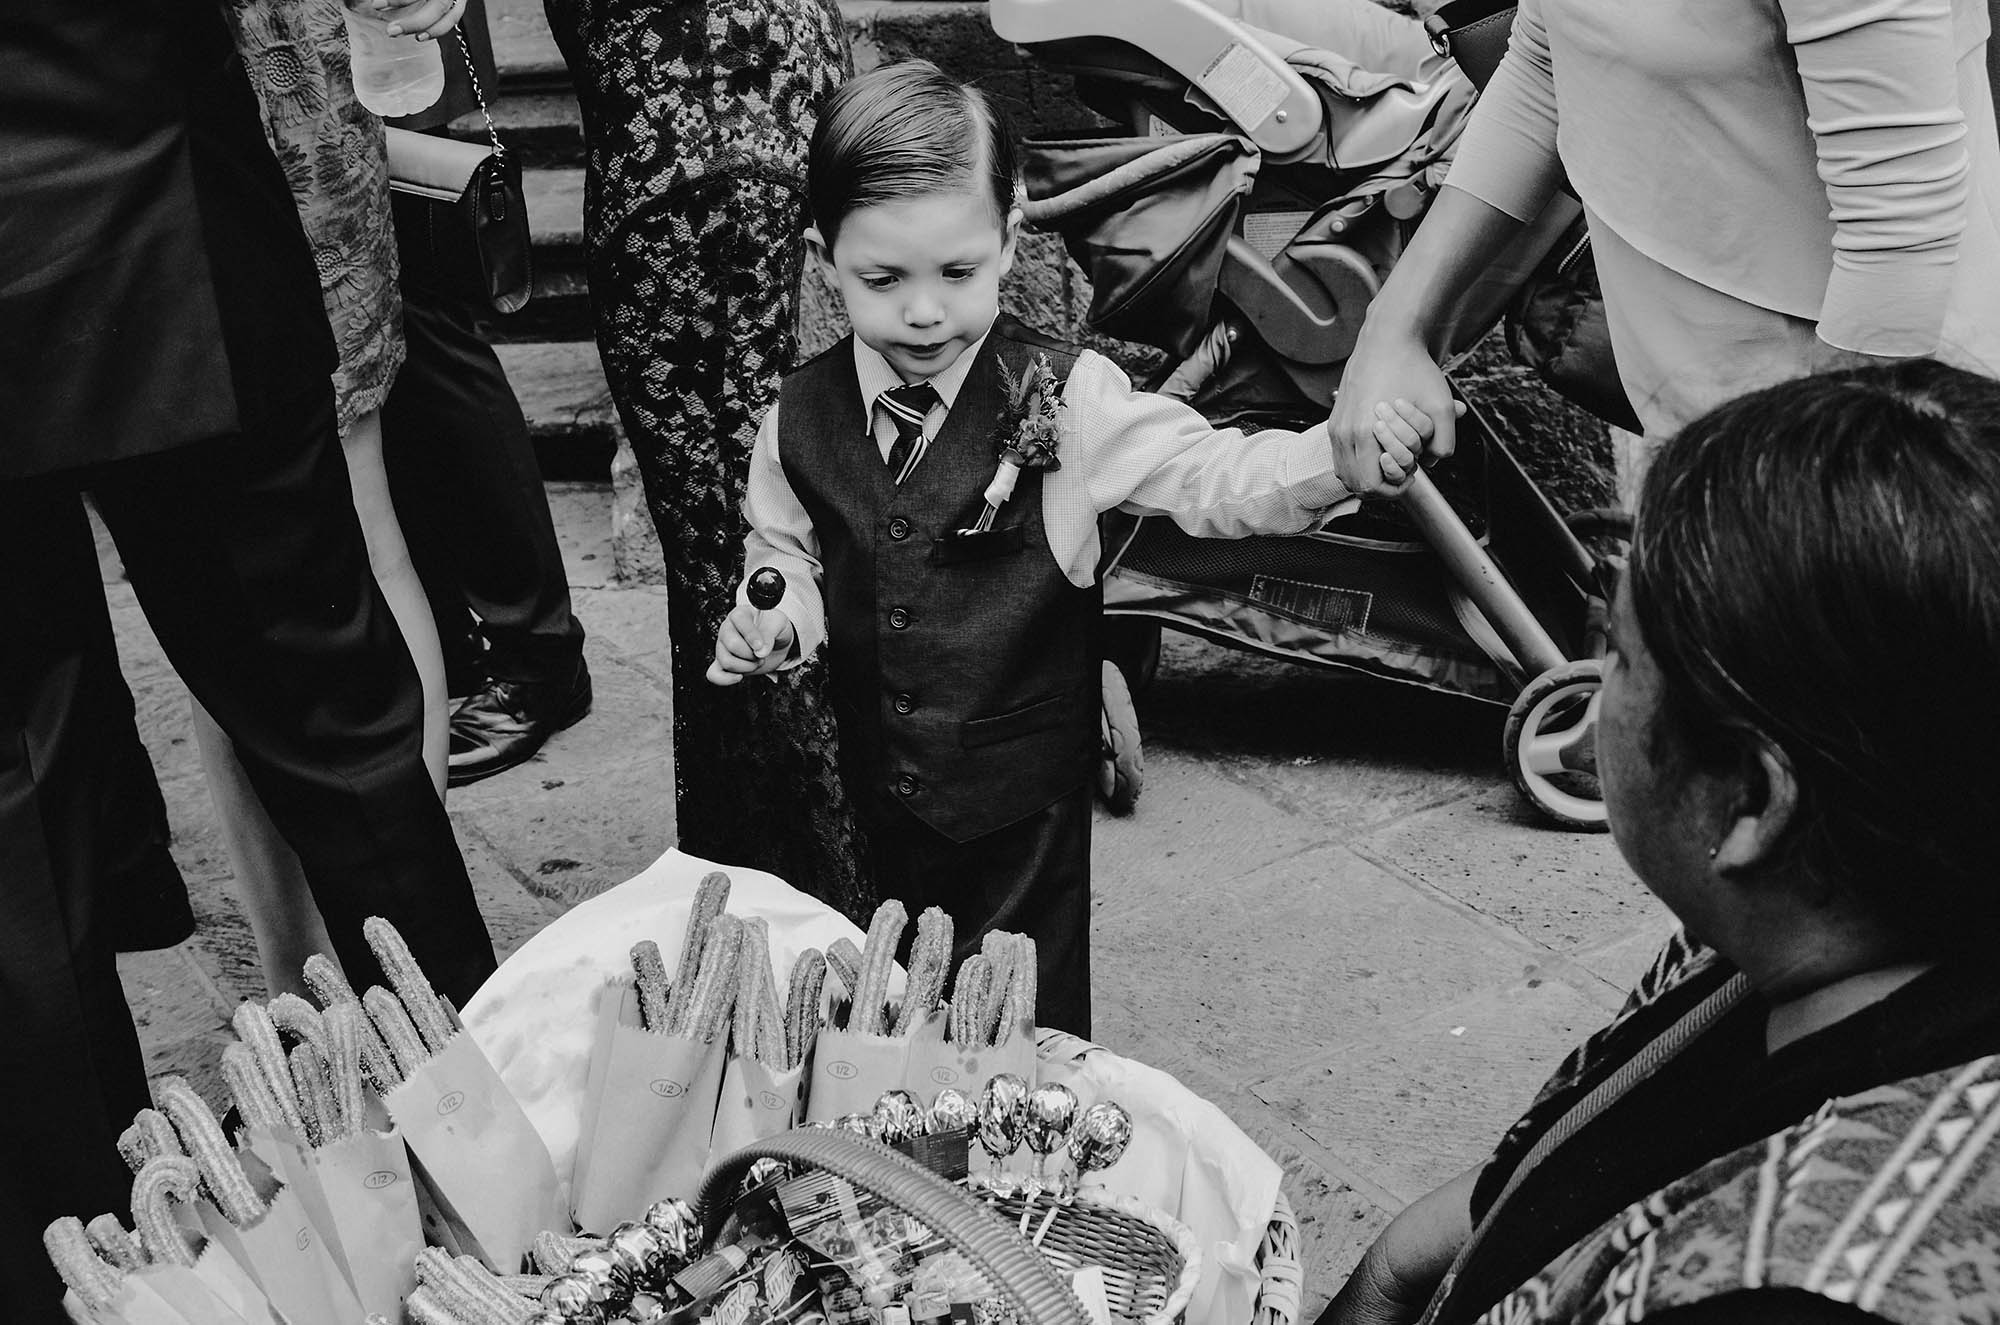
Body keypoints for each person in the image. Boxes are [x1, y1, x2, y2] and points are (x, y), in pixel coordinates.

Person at [1318, 360, 2000, 1325]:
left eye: (1626, 654)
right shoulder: (1825, 917)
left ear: (1751, 798)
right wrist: (1405, 1258)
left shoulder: (1800, 1288)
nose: (1595, 679)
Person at [0, 0, 494, 1315]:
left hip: (151, 207)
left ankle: (88, 1270)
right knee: (339, 736)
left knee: (14, 823)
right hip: (166, 214)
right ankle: (489, 1183)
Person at [709, 60, 1363, 1036]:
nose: (924, 310)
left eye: (957, 272)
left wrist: (1332, 458)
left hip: (1020, 821)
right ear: (822, 258)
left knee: (1022, 1040)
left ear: (1008, 241)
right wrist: (776, 618)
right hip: (878, 804)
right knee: (896, 1026)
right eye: (882, 279)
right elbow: (788, 550)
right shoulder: (796, 418)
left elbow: (1213, 479)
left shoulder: (1071, 396)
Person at [1327, 0, 2000, 502]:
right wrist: (1393, 329)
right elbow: (1546, 55)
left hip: (1864, 453)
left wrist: (1807, 508)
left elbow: (1901, 228)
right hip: (1698, 432)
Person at [541, 0, 870, 911]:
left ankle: (826, 926)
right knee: (780, 537)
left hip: (685, 163)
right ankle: (768, 898)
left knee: (746, 563)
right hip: (779, 98)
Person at [194, 0, 465, 998]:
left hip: (293, 120)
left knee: (357, 531)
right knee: (207, 587)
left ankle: (397, 934)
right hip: (166, 167)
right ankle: (296, 976)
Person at [380, 0, 594, 788]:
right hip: (293, 52)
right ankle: (447, 642)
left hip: (384, 37)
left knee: (421, 326)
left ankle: (538, 654)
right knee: (372, 348)